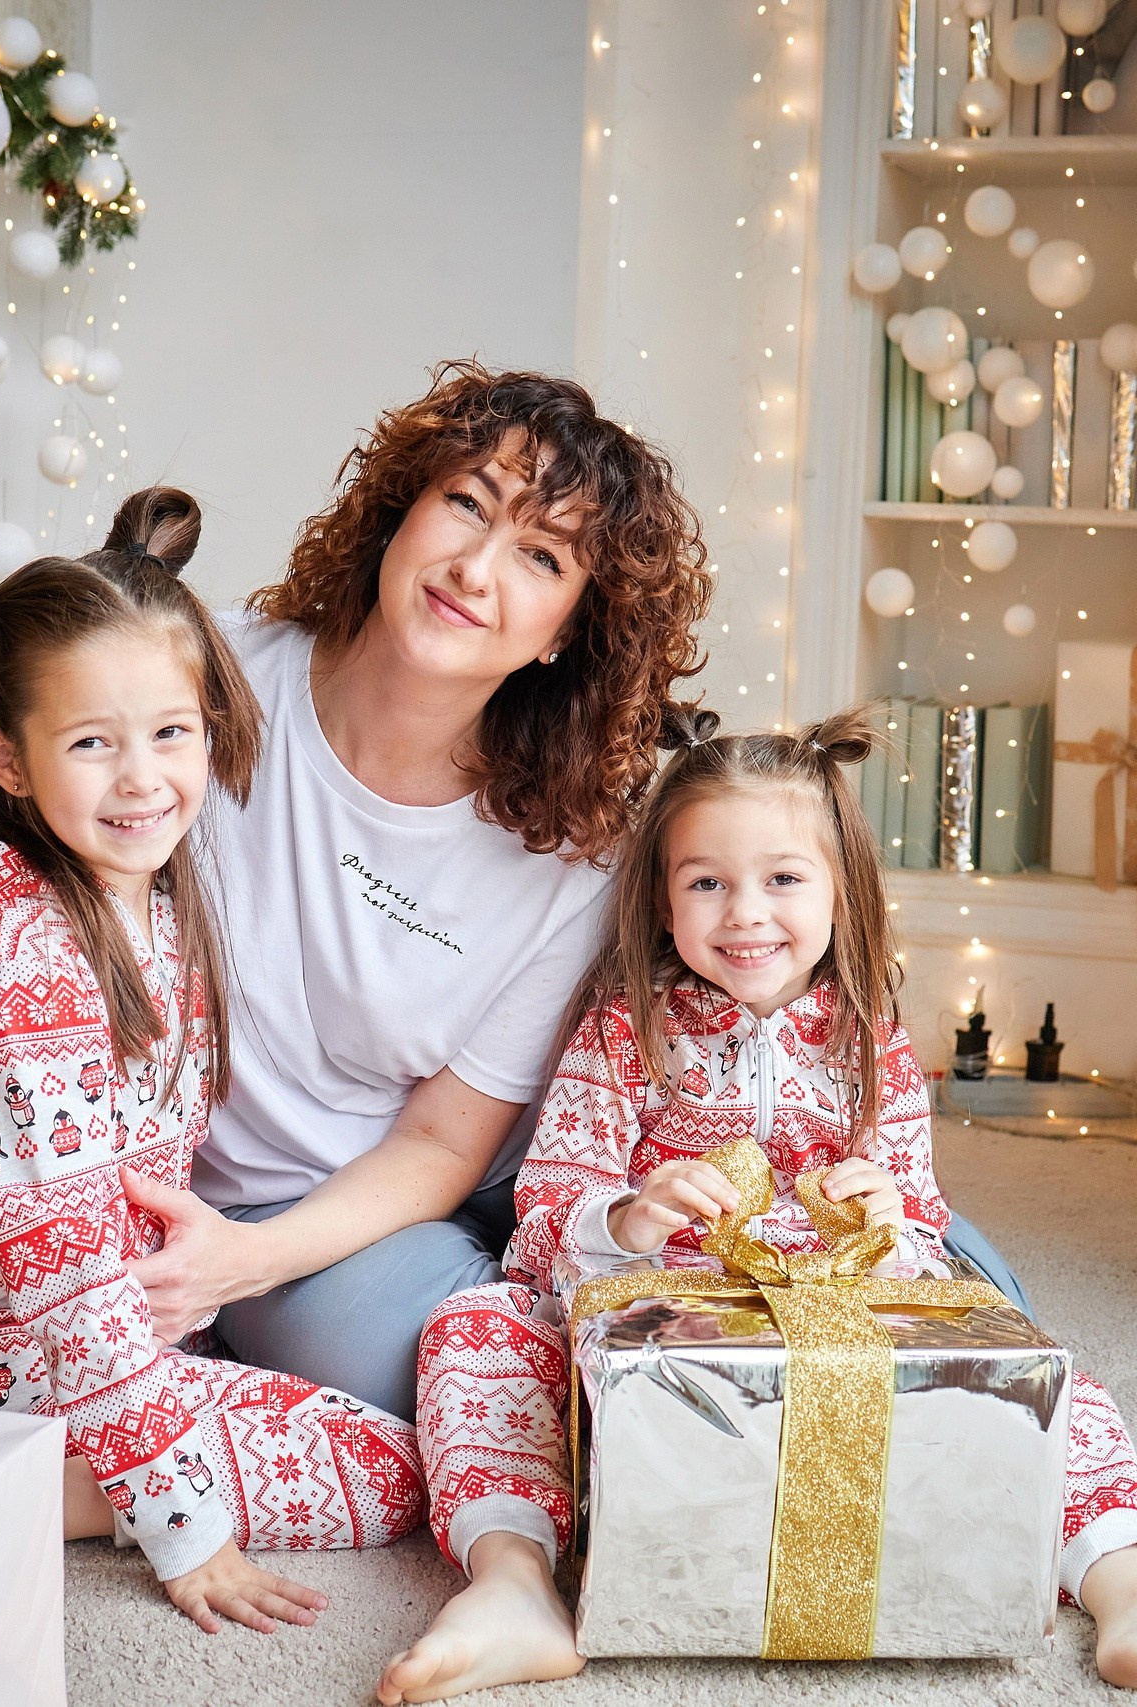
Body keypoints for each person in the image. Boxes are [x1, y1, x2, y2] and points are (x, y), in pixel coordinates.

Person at [378, 707, 1137, 1707]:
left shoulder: (871, 1044)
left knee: (1044, 1372)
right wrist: (628, 1214)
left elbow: (923, 1223)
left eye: (783, 880)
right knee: (472, 1331)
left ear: (842, 892)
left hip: (843, 1319)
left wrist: (886, 1211)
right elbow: (548, 1205)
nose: (744, 913)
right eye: (705, 882)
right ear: (661, 898)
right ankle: (513, 1590)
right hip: (659, 1319)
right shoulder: (626, 1031)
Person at [117, 363, 1033, 1431]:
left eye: (540, 556)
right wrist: (242, 1256)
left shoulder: (579, 837)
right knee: (524, 1397)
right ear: (397, 508)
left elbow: (447, 1142)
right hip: (314, 1211)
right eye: (465, 503)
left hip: (556, 1168)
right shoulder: (205, 682)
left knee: (969, 1324)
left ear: (563, 628)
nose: (474, 568)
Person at [0, 487, 422, 1638]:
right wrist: (182, 1523)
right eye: (90, 743)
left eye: (170, 733)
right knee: (386, 1474)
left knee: (391, 1436)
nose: (141, 779)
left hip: (126, 1335)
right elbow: (68, 1274)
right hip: (10, 1355)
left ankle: (63, 1457)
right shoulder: (18, 956)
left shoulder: (149, 889)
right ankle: (0, 1483)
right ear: (8, 761)